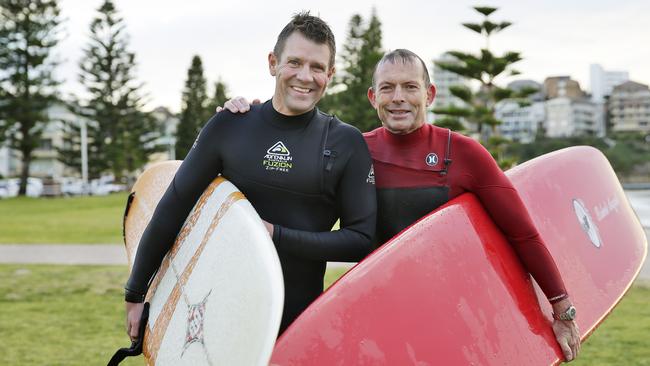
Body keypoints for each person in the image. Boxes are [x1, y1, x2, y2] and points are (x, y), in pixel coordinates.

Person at [221, 49, 581, 362]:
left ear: (430, 94)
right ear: (372, 96)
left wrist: (562, 307)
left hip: (457, 314)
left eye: (410, 87)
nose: (398, 98)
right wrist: (253, 120)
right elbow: (327, 225)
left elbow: (522, 232)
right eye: (388, 88)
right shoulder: (354, 152)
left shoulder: (465, 154)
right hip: (382, 314)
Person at [123, 11, 376, 341]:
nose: (305, 75)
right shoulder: (230, 125)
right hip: (214, 318)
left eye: (317, 67)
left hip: (295, 323)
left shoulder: (346, 143)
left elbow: (361, 241)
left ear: (330, 74)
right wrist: (135, 293)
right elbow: (174, 206)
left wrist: (275, 234)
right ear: (273, 63)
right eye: (294, 62)